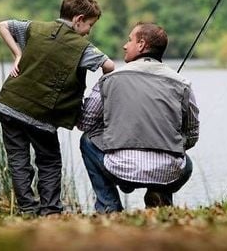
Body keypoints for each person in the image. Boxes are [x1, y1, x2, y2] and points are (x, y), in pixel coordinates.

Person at [0, 0, 115, 216]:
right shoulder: (82, 47)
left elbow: (2, 25)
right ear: (78, 19)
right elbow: (109, 66)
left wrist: (17, 54)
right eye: (89, 25)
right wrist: (98, 92)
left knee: (18, 159)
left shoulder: (35, 28)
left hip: (9, 104)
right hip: (41, 115)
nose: (89, 31)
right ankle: (50, 211)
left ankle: (27, 210)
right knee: (49, 162)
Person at [77, 22, 199, 213]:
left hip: (119, 168)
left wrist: (111, 128)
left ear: (141, 45)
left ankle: (109, 207)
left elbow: (85, 123)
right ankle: (160, 197)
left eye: (129, 40)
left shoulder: (109, 79)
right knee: (186, 162)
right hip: (169, 172)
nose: (125, 46)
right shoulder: (182, 84)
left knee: (87, 141)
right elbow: (191, 134)